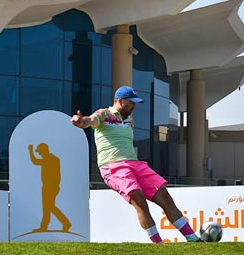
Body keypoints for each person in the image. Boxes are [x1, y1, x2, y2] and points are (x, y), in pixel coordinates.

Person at [70, 85, 201, 243]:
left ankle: (193, 239)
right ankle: (158, 245)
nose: (134, 106)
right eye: (131, 103)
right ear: (121, 101)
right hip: (112, 167)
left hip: (135, 164)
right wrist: (79, 121)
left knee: (164, 196)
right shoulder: (103, 114)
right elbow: (89, 121)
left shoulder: (129, 119)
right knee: (138, 198)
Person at [28, 142, 71, 233]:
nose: (39, 154)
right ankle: (45, 226)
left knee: (49, 207)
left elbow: (35, 161)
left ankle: (65, 222)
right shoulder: (51, 159)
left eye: (39, 152)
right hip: (48, 187)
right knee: (48, 207)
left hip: (50, 187)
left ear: (44, 151)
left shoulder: (51, 159)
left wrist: (30, 151)